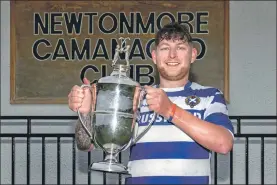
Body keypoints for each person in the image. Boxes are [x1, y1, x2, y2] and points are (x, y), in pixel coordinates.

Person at [68, 22, 234, 184]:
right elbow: (87, 144)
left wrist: (170, 110)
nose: (172, 55)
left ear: (193, 55)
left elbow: (223, 143)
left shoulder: (209, 96)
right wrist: (86, 112)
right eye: (165, 48)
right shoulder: (136, 97)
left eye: (181, 47)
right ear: (154, 56)